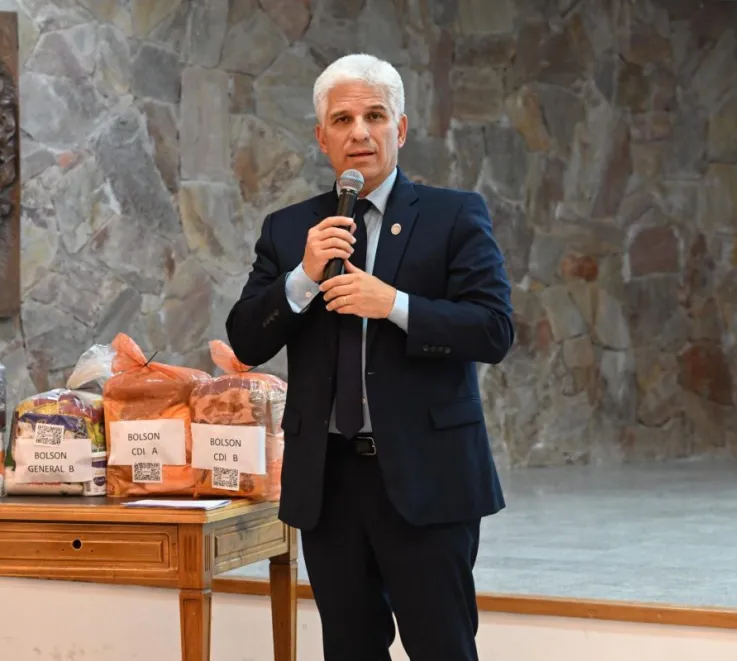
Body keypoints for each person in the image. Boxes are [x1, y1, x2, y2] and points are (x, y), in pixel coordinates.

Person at [225, 53, 514, 661]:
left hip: (428, 477)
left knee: (443, 647)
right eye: (343, 118)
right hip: (329, 483)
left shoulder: (453, 215)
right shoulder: (289, 230)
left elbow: (493, 330)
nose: (360, 131)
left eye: (375, 115)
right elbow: (247, 340)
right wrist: (302, 278)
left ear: (400, 130)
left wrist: (396, 304)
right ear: (322, 136)